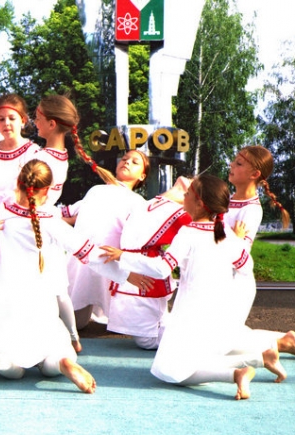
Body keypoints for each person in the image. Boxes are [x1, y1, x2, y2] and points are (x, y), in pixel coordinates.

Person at [102, 175, 287, 400]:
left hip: (191, 314)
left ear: (199, 203)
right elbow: (245, 266)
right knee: (185, 363)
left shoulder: (189, 233)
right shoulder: (227, 234)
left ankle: (237, 373)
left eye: (188, 193)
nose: (184, 196)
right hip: (215, 312)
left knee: (168, 371)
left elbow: (162, 269)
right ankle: (260, 358)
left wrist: (124, 257)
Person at [0, 159, 113, 395]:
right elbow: (87, 251)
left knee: (11, 365)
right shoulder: (50, 220)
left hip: (4, 300)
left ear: (18, 183)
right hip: (39, 300)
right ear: (47, 190)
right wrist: (126, 272)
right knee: (52, 355)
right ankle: (63, 363)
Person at [226, 145, 295, 358]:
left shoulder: (251, 209)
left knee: (223, 343)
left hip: (235, 283)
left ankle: (287, 342)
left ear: (254, 174)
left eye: (238, 163)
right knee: (220, 338)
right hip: (221, 280)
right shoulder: (226, 201)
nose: (231, 165)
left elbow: (240, 252)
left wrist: (228, 240)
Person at [104, 175, 193, 349]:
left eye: (195, 182)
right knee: (153, 327)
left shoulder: (182, 213)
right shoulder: (147, 202)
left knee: (147, 339)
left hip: (145, 271)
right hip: (129, 266)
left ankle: (200, 339)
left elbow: (206, 231)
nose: (190, 178)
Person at [66, 149, 149, 329]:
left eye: (135, 162)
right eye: (124, 158)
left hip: (110, 262)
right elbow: (70, 217)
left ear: (142, 176)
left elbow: (140, 239)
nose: (127, 162)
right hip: (81, 261)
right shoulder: (96, 190)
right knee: (74, 322)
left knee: (120, 323)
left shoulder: (139, 202)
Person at [31, 94, 87, 351]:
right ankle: (73, 337)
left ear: (51, 123)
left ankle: (50, 339)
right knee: (57, 286)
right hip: (49, 218)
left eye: (38, 118)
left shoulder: (41, 158)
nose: (35, 122)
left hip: (37, 222)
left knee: (42, 284)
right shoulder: (59, 155)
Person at [0, 93, 41, 206]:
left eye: (12, 118)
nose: (6, 123)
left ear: (23, 121)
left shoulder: (33, 152)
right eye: (1, 119)